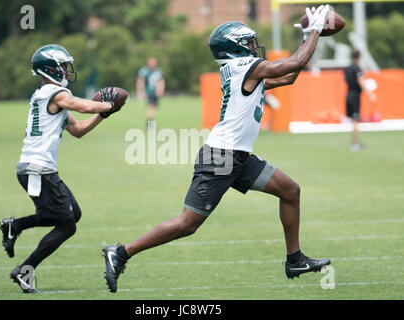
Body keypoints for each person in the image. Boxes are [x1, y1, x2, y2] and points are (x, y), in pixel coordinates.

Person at [102, 5, 332, 293]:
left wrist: (311, 36)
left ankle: (294, 259)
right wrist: (314, 31)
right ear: (235, 49)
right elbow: (293, 64)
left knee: (290, 190)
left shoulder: (240, 70)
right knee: (187, 224)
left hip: (238, 156)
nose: (253, 47)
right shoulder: (241, 67)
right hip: (221, 158)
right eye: (248, 43)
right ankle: (120, 253)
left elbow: (289, 75)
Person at [0, 44, 122, 293]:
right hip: (37, 169)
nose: (67, 70)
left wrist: (103, 116)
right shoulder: (54, 93)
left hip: (41, 169)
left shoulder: (53, 96)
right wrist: (109, 105)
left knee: (71, 214)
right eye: (63, 66)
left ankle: (16, 226)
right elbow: (83, 105)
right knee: (66, 225)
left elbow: (77, 130)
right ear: (51, 69)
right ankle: (25, 270)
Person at [344, 49, 376, 151]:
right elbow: (361, 81)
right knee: (355, 120)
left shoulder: (347, 68)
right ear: (359, 57)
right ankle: (355, 143)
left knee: (353, 120)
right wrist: (370, 94)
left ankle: (354, 141)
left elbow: (346, 80)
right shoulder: (357, 68)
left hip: (348, 94)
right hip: (355, 96)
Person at [136, 57, 165, 127]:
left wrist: (161, 90)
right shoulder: (144, 71)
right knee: (151, 107)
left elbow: (161, 81)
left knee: (153, 107)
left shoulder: (158, 71)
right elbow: (140, 81)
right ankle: (150, 123)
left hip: (155, 93)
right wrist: (141, 92)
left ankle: (149, 122)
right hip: (148, 92)